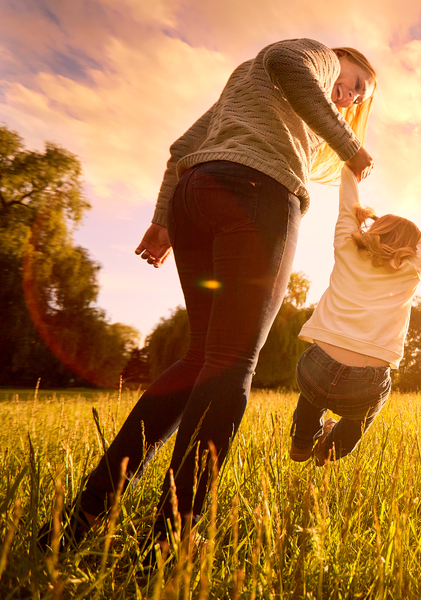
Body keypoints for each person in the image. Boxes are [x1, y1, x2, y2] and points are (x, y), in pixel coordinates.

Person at [39, 39, 378, 555]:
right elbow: (289, 62)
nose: (350, 97)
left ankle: (87, 511)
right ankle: (172, 537)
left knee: (200, 357)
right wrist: (348, 143)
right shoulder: (313, 55)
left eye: (358, 98)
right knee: (232, 362)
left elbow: (181, 149)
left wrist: (161, 221)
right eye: (355, 82)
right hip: (258, 194)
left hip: (195, 197)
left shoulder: (250, 87)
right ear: (339, 59)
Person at [289, 165, 421, 466]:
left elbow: (347, 204)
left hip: (316, 367)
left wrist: (350, 169)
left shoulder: (347, 246)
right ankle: (331, 449)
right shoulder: (414, 265)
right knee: (360, 417)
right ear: (412, 246)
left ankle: (303, 441)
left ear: (374, 229)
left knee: (313, 392)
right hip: (366, 382)